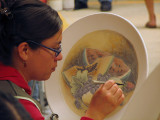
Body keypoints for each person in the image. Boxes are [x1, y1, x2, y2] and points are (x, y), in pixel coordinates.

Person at [0, 0, 124, 120]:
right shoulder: (19, 110)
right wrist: (94, 114)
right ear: (25, 51)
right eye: (55, 48)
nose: (59, 57)